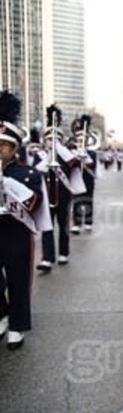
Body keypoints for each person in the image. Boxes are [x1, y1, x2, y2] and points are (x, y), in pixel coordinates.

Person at [0, 91, 49, 349]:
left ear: (14, 148)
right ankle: (2, 312)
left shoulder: (26, 173)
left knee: (18, 279)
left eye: (3, 146)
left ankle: (17, 326)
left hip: (17, 232)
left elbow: (34, 203)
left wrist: (7, 185)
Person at [35, 105, 85, 272]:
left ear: (61, 139)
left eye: (55, 137)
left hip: (63, 194)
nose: (52, 140)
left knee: (63, 225)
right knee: (47, 226)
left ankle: (64, 253)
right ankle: (47, 258)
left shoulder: (67, 154)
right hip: (46, 194)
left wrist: (61, 151)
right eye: (49, 137)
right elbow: (35, 171)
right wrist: (49, 155)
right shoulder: (40, 155)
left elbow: (76, 165)